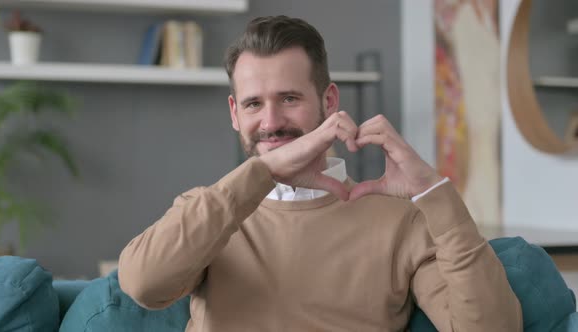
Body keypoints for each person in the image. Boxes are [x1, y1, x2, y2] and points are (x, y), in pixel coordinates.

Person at [118, 15, 522, 331]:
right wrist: (263, 173)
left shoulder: (401, 221)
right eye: (254, 104)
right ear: (234, 115)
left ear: (329, 101)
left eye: (289, 98)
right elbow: (142, 285)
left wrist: (434, 191)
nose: (271, 122)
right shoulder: (211, 211)